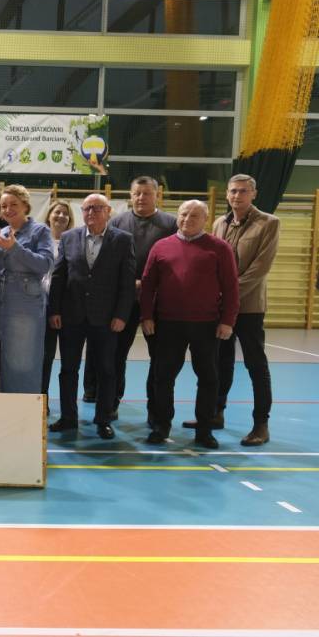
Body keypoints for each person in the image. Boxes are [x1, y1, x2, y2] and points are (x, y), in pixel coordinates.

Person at [141, 200, 239, 449]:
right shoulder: (161, 246)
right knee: (163, 377)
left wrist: (227, 321)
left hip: (206, 325)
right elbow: (148, 284)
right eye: (184, 214)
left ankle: (204, 430)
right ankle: (161, 426)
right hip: (168, 323)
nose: (187, 219)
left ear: (205, 219)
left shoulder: (220, 248)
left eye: (194, 215)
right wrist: (146, 316)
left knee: (208, 378)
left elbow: (231, 288)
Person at [197, 174, 279, 446]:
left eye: (243, 191)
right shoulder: (219, 223)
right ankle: (216, 413)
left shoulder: (269, 223)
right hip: (221, 307)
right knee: (220, 361)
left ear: (253, 194)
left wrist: (228, 295)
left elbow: (260, 268)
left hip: (249, 306)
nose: (237, 195)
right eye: (233, 191)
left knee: (255, 364)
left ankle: (261, 425)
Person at [47, 193, 135, 440]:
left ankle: (103, 420)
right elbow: (59, 276)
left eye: (97, 208)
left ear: (108, 211)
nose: (91, 213)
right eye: (86, 208)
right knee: (68, 370)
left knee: (106, 370)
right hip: (71, 317)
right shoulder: (69, 237)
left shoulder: (123, 240)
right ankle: (68, 417)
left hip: (106, 319)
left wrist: (121, 315)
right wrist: (55, 310)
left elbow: (127, 282)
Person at [90, 176, 177, 424]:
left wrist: (148, 285)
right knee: (116, 355)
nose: (141, 198)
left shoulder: (171, 224)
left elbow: (174, 263)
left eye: (147, 193)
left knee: (159, 358)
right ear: (130, 195)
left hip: (157, 303)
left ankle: (156, 410)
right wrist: (129, 284)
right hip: (122, 303)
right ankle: (111, 403)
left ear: (157, 195)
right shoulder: (117, 222)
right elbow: (107, 262)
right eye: (137, 193)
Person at [0, 184, 54, 394]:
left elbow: (45, 264)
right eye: (4, 206)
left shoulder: (40, 231)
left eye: (13, 204)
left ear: (25, 205)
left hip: (25, 302)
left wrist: (14, 248)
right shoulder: (2, 232)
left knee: (22, 357)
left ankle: (21, 406)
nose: (8, 209)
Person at [41, 200, 74, 406]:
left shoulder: (74, 242)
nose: (61, 216)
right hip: (44, 306)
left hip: (68, 307)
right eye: (57, 212)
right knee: (45, 357)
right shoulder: (40, 239)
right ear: (49, 216)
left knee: (69, 361)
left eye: (65, 213)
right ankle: (41, 400)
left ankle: (68, 408)